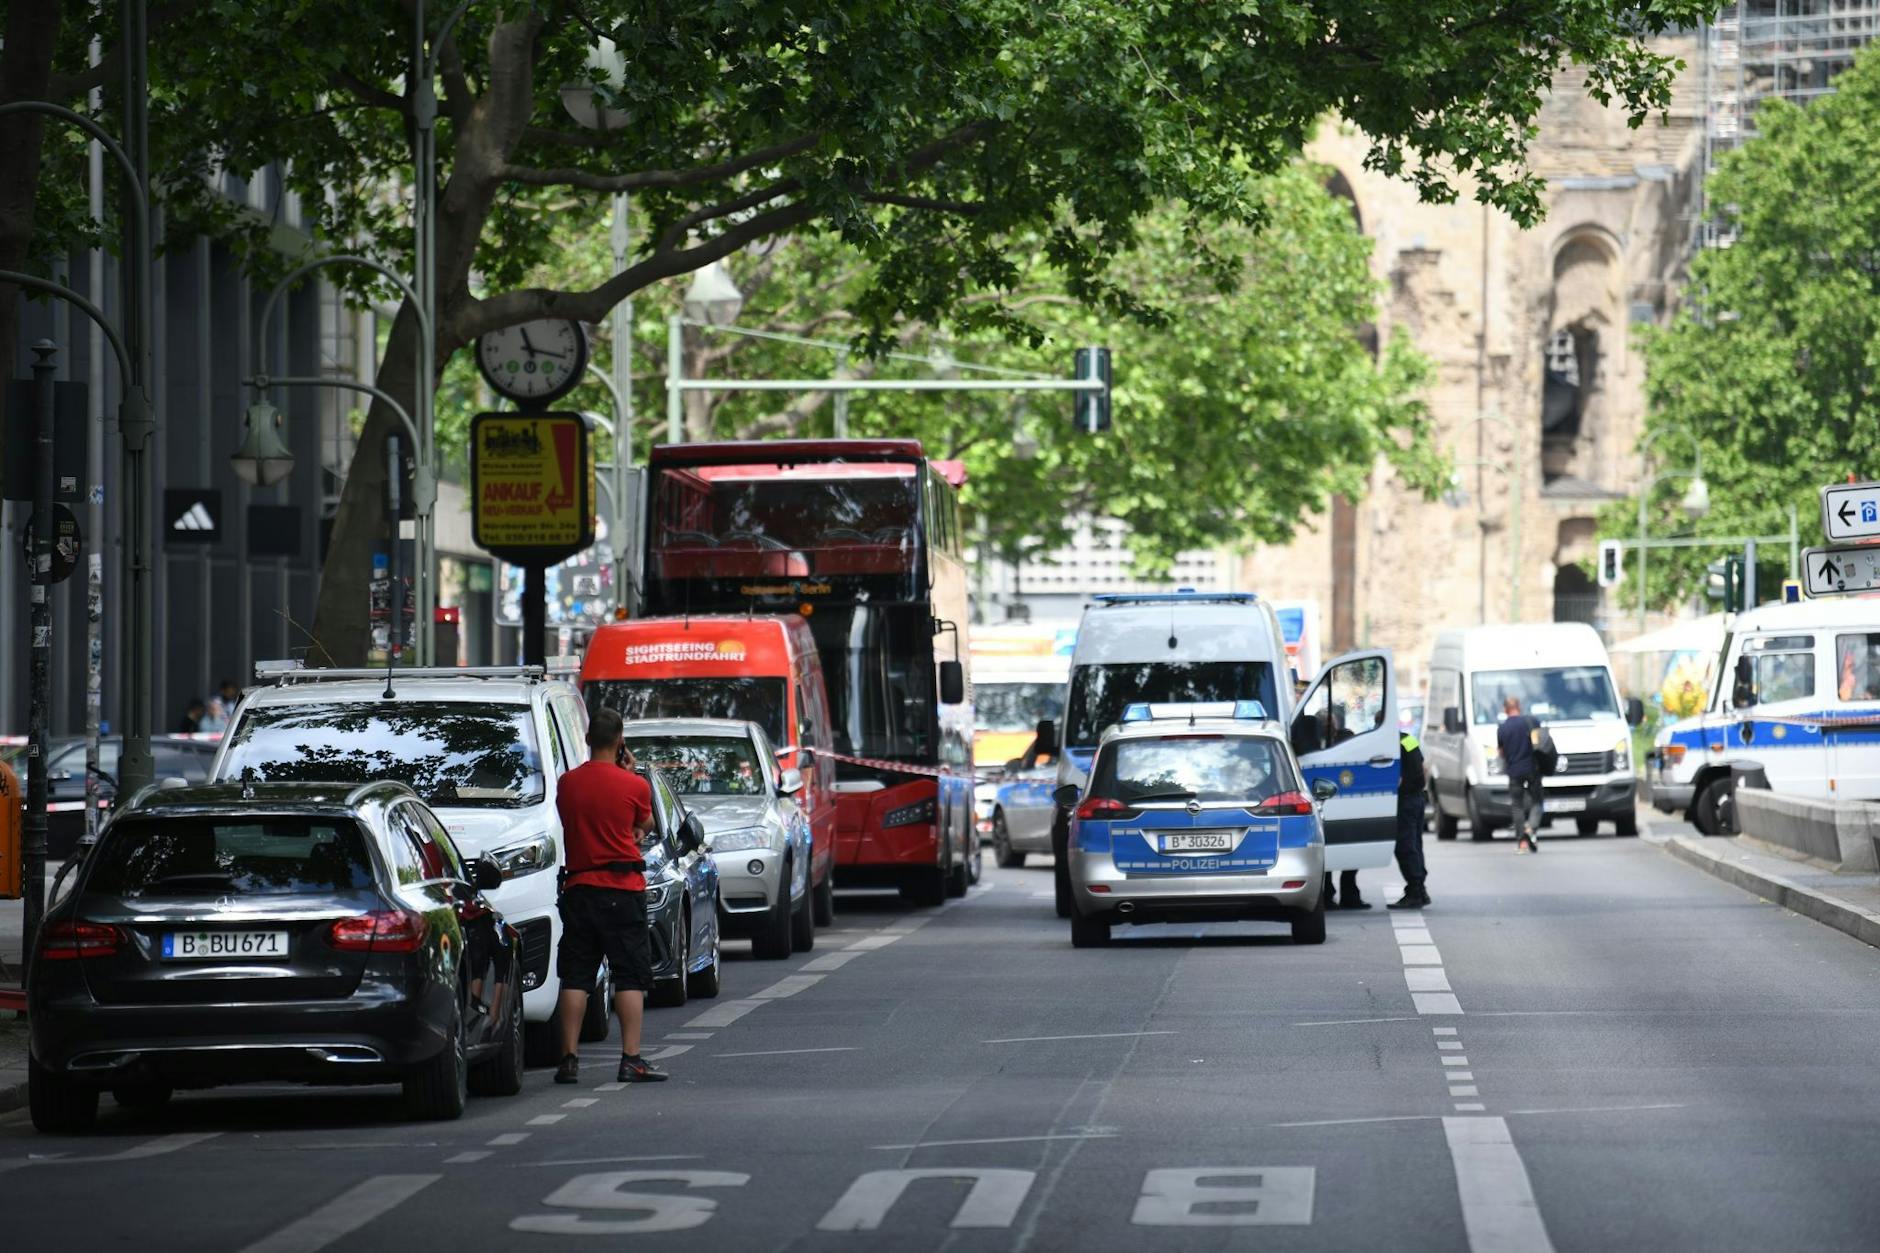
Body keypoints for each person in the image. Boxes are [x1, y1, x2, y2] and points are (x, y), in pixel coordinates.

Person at [551, 706, 668, 1085]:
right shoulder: (634, 785)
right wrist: (628, 773)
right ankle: (631, 1059)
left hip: (579, 890)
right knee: (629, 975)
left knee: (576, 976)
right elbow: (646, 824)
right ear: (620, 741)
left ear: (587, 740)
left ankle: (568, 1059)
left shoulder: (567, 784)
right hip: (623, 891)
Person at [1389, 726, 1431, 909]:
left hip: (1405, 800)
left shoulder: (1389, 745)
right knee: (1415, 845)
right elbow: (1423, 767)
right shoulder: (1408, 739)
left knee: (1405, 846)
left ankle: (1416, 890)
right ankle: (1420, 890)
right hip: (1418, 798)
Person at [1498, 694, 1543, 853]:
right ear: (1519, 707)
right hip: (1532, 768)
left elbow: (1501, 752)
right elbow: (1541, 743)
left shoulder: (1502, 728)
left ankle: (1522, 844)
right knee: (1537, 801)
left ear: (1505, 709)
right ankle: (1530, 828)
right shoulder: (1531, 722)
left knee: (1517, 806)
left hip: (1514, 771)